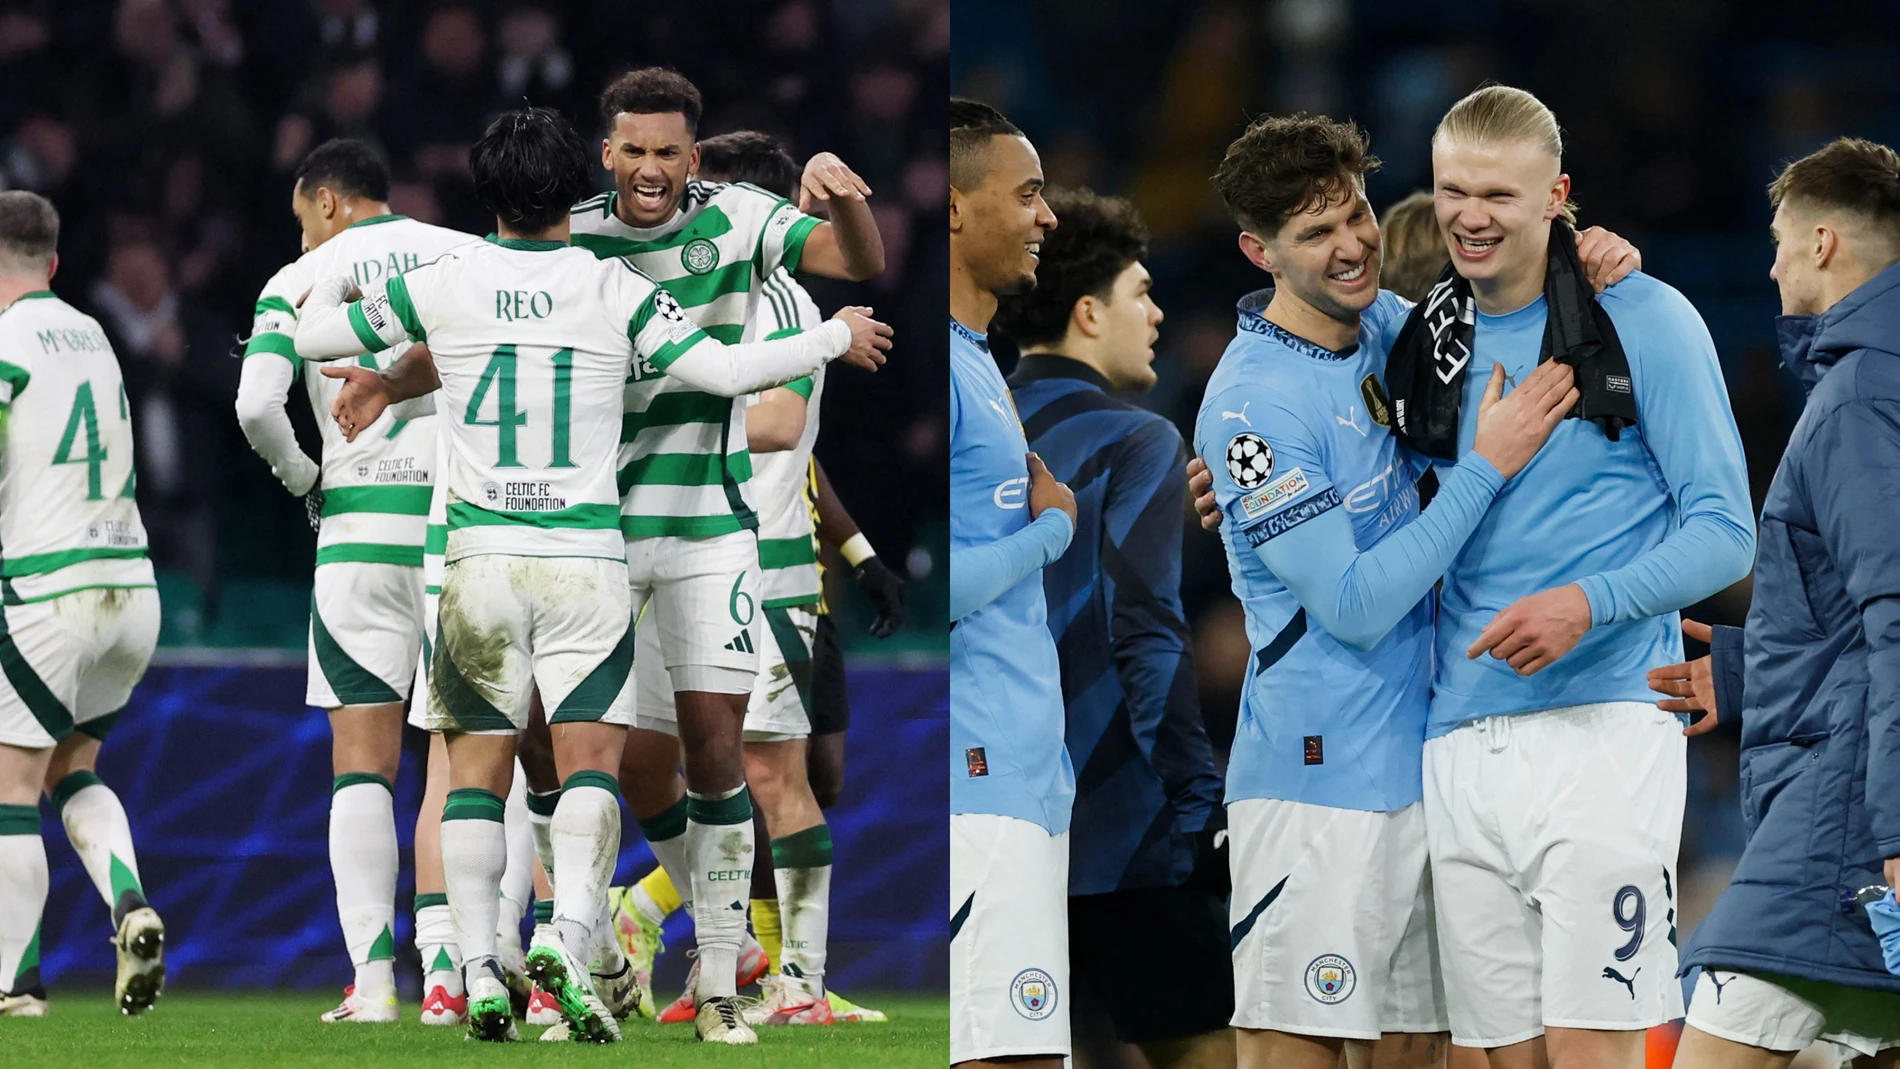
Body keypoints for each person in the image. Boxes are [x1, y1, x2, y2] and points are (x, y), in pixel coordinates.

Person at [296, 105, 889, 1045]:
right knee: (589, 770)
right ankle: (575, 940)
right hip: (584, 554)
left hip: (481, 556)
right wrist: (826, 340)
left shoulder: (446, 275)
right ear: (586, 174)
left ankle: (479, 966)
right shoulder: (608, 282)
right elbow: (726, 370)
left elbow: (319, 336)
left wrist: (360, 353)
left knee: (477, 773)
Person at [1195, 113, 1594, 1069]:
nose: (1351, 246)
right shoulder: (1252, 409)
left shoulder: (1390, 328)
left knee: (1425, 1042)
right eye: (1314, 233)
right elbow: (1354, 603)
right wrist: (1482, 468)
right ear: (1260, 250)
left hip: (1430, 758)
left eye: (1356, 214)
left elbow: (1518, 297)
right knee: (1298, 1041)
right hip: (1317, 777)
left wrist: (1594, 251)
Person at [566, 68, 887, 1029]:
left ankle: (770, 979)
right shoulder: (577, 238)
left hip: (738, 551)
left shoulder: (771, 279)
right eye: (637, 150)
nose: (653, 168)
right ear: (608, 152)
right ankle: (639, 940)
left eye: (671, 152)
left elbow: (792, 415)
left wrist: (846, 201)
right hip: (607, 544)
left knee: (763, 773)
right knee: (623, 763)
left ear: (699, 165)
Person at [1646, 137, 1900, 1068]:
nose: (1771, 262)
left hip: (1846, 826)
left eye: (1780, 240)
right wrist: (1753, 664)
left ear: (1825, 243)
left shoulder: (1860, 397)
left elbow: (1897, 614)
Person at [232, 137, 477, 1026]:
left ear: (327, 202)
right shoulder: (463, 255)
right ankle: (454, 976)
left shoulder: (298, 280)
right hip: (459, 532)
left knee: (361, 767)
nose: (301, 239)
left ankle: (374, 985)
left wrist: (308, 483)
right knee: (464, 763)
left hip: (358, 531)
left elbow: (256, 405)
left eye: (302, 221)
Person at [992, 186, 1234, 1069]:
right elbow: (1146, 630)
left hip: (1010, 823)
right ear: (1090, 313)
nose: (1158, 311)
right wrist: (1198, 804)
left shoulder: (984, 424)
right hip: (1128, 825)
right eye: (1141, 291)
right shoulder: (1138, 438)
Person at [0, 190, 165, 1020]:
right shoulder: (93, 333)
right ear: (54, 264)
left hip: (51, 589)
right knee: (73, 768)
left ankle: (15, 983)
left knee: (9, 783)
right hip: (133, 589)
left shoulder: (4, 341)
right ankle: (130, 901)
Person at [948, 96, 1075, 1069]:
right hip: (977, 775)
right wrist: (1049, 533)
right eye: (1026, 193)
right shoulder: (945, 370)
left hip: (1020, 776)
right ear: (956, 209)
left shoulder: (982, 360)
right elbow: (935, 588)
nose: (1047, 216)